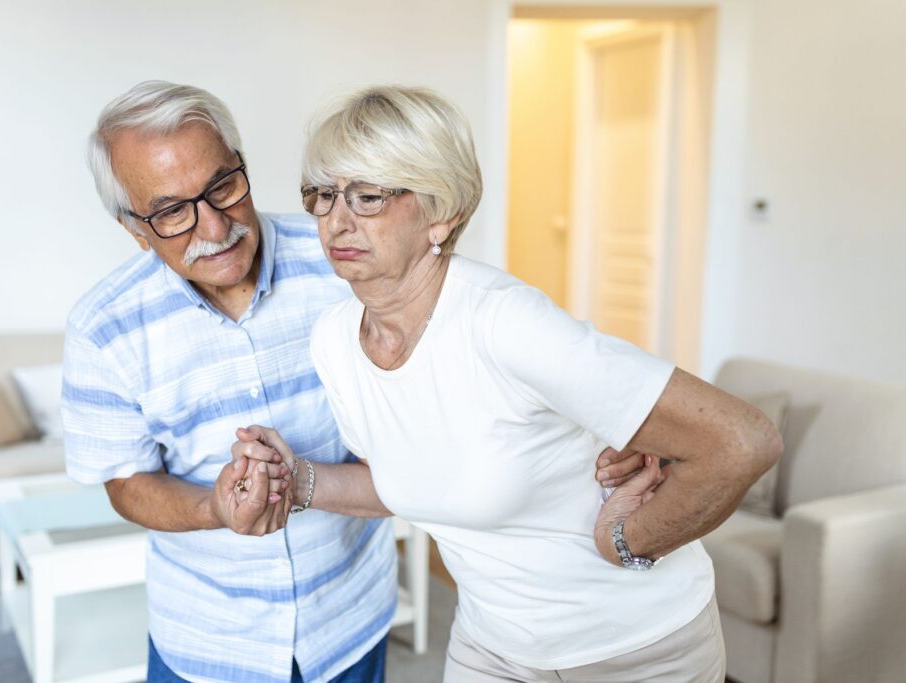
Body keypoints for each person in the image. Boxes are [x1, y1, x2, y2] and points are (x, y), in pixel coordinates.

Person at [245, 85, 783, 682]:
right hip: (491, 644)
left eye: (368, 196)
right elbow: (409, 479)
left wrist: (626, 540)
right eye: (322, 195)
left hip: (632, 649)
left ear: (440, 212)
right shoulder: (335, 340)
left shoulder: (506, 324)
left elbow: (741, 441)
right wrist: (295, 481)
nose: (336, 220)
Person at [62, 80, 400, 683]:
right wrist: (212, 506)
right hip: (206, 641)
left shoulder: (340, 265)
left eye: (222, 186)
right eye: (170, 211)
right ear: (134, 228)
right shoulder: (101, 329)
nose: (215, 227)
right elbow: (125, 481)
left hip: (347, 619)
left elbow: (413, 425)